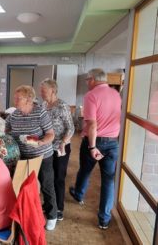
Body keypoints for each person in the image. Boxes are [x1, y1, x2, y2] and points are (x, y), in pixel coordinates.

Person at [69, 69, 121, 230]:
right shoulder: (116, 94)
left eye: (87, 80)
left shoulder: (91, 95)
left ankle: (78, 194)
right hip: (113, 142)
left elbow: (92, 125)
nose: (86, 83)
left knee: (85, 170)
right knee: (108, 180)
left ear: (92, 80)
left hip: (95, 141)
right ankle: (104, 219)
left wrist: (92, 147)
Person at [5, 85, 57, 231]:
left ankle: (52, 215)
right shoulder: (15, 114)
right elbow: (6, 127)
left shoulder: (40, 112)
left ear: (29, 99)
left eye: (18, 98)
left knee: (46, 185)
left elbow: (50, 134)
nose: (15, 100)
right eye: (15, 97)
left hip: (42, 155)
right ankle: (24, 213)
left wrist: (40, 142)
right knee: (22, 186)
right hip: (23, 156)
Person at [40, 78, 75, 221]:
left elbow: (71, 128)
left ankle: (59, 208)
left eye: (44, 90)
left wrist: (64, 142)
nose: (41, 93)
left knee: (58, 178)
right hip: (46, 147)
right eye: (41, 90)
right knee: (47, 178)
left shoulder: (62, 106)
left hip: (60, 147)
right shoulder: (44, 104)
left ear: (53, 90)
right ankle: (49, 205)